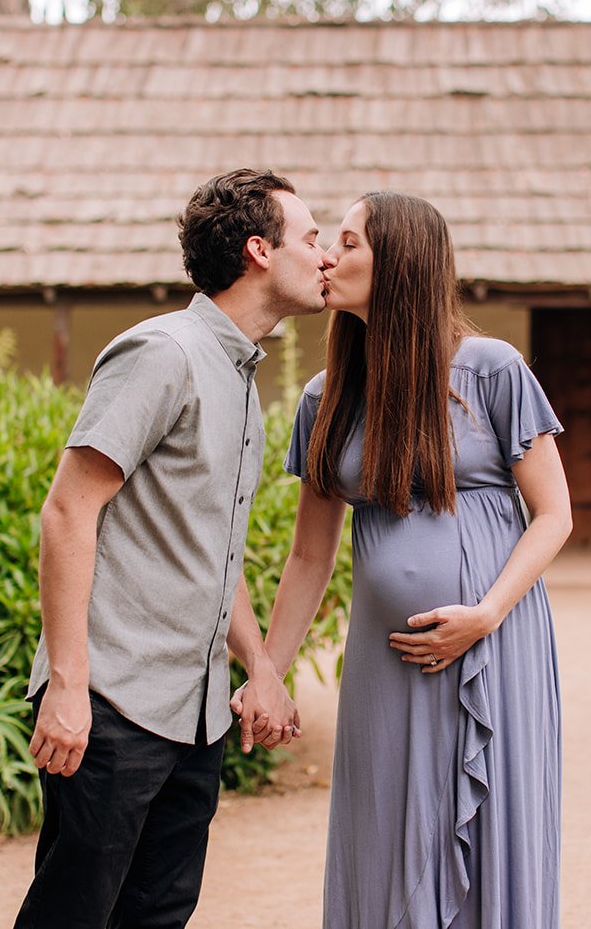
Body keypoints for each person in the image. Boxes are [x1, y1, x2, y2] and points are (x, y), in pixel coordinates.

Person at [237, 191, 573, 927]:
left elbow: (554, 515)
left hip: (496, 647)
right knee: (386, 839)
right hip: (386, 665)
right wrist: (269, 669)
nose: (328, 255)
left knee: (491, 837)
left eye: (349, 243)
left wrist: (484, 614)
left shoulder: (492, 370)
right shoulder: (326, 397)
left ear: (401, 262)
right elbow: (308, 555)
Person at [16, 168, 325, 928]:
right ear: (260, 248)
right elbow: (67, 511)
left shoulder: (242, 380)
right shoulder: (162, 352)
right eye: (312, 237)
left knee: (157, 916)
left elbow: (211, 556)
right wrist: (68, 685)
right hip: (115, 705)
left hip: (196, 720)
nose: (325, 255)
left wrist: (262, 666)